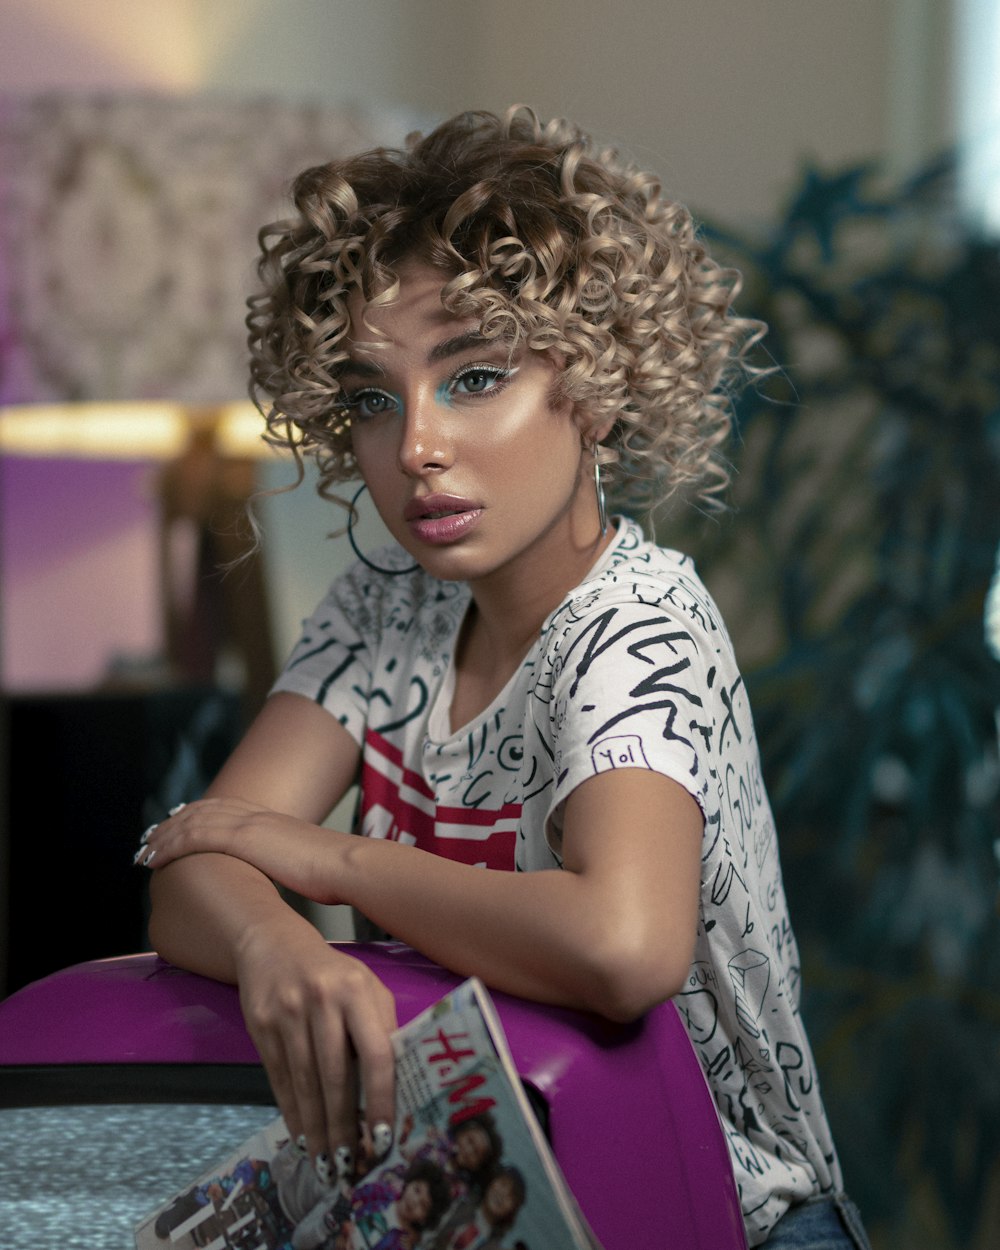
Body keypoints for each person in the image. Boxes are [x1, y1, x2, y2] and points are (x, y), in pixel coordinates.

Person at [140, 107, 870, 1249]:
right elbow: (196, 866)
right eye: (374, 398)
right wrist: (271, 945)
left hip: (729, 1214)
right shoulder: (386, 604)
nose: (416, 443)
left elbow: (623, 945)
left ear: (598, 385)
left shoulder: (639, 622)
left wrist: (329, 862)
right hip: (515, 1195)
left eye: (474, 376)